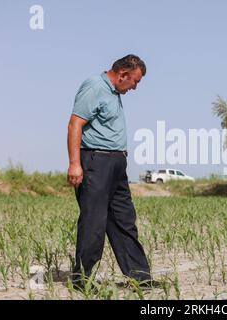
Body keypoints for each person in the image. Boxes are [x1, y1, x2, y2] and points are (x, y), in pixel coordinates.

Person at [67, 54, 160, 290]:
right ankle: (82, 281)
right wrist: (75, 163)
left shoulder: (114, 92)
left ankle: (140, 277)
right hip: (96, 162)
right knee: (94, 222)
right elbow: (75, 123)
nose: (135, 87)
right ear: (122, 75)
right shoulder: (95, 86)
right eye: (135, 81)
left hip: (117, 165)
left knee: (124, 221)